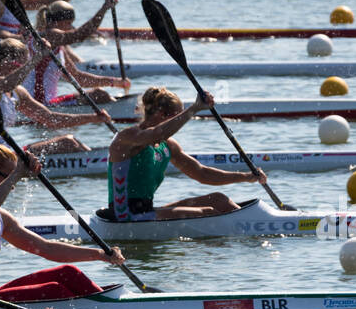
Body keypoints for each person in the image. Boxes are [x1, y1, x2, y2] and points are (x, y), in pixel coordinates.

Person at [0, 137, 123, 306]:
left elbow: (46, 248)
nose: (13, 187)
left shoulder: (1, 218)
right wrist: (17, 173)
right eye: (9, 177)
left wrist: (99, 254)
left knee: (68, 272)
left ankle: (108, 304)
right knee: (54, 291)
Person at [108, 86, 268, 222]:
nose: (181, 122)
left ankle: (255, 224)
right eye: (177, 116)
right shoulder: (127, 138)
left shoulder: (168, 146)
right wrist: (194, 108)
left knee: (219, 200)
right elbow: (157, 134)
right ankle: (247, 234)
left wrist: (246, 177)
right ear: (161, 114)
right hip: (125, 215)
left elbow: (202, 173)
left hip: (146, 210)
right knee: (208, 214)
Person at [0, 40, 110, 156]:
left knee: (71, 141)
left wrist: (93, 118)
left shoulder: (18, 92)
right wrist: (36, 58)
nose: (24, 71)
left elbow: (50, 119)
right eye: (20, 66)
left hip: (7, 152)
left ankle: (99, 160)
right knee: (68, 143)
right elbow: (7, 83)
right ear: (5, 62)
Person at [28, 0, 130, 105]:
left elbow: (78, 78)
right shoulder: (48, 36)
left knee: (99, 93)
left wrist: (114, 82)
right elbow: (79, 35)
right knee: (99, 95)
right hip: (39, 104)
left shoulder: (56, 48)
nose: (71, 27)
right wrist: (104, 8)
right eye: (69, 23)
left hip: (45, 103)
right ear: (58, 21)